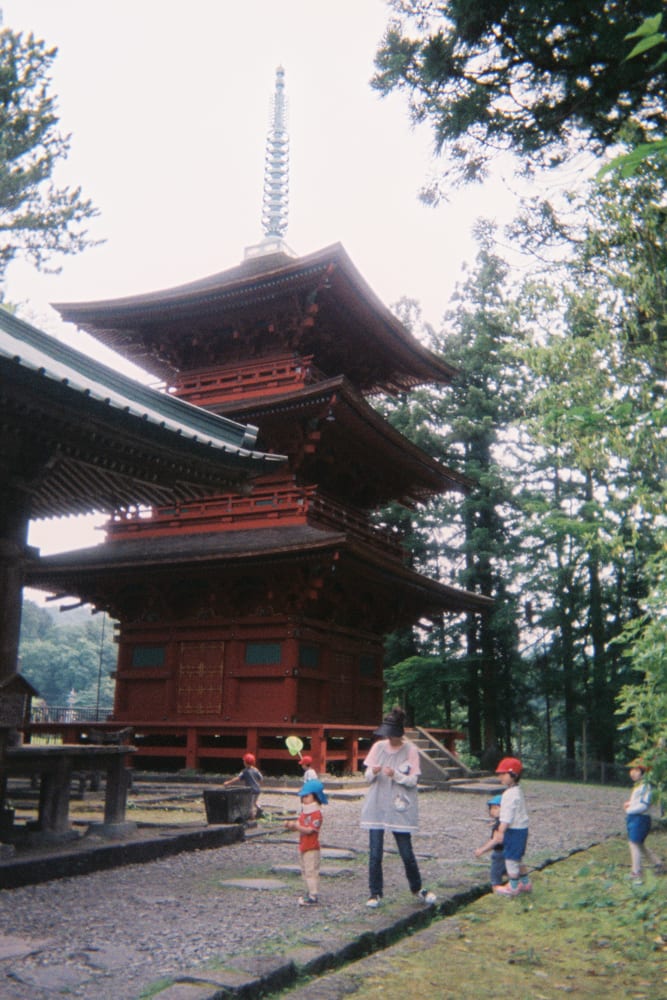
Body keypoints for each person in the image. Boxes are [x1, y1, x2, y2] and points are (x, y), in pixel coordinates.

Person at [360, 706, 436, 909]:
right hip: (377, 803)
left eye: (392, 735)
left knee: (406, 852)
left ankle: (417, 887)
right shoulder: (378, 748)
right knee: (375, 853)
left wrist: (396, 775)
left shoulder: (410, 750)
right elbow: (367, 777)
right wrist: (374, 772)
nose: (390, 738)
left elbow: (413, 781)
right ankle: (375, 892)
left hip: (400, 804)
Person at [284, 778, 328, 906]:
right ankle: (310, 891)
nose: (304, 799)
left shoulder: (317, 814)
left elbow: (309, 830)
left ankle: (313, 895)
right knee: (305, 871)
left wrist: (296, 826)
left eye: (307, 796)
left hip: (312, 847)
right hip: (303, 846)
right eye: (303, 796)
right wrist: (290, 825)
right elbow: (299, 825)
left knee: (311, 871)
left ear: (315, 796)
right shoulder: (304, 813)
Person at [493, 756, 532, 897]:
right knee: (518, 858)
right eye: (499, 774)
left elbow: (506, 817)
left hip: (513, 830)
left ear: (513, 775)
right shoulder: (517, 790)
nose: (500, 777)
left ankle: (513, 887)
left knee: (510, 859)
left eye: (503, 774)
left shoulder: (508, 794)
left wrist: (500, 831)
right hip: (522, 829)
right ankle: (525, 883)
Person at [624, 758, 663, 883]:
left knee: (634, 844)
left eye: (636, 770)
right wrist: (630, 804)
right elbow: (637, 802)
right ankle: (658, 864)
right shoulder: (638, 786)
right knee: (639, 844)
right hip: (634, 817)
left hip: (640, 818)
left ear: (643, 773)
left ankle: (636, 872)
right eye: (632, 770)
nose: (633, 773)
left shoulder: (646, 786)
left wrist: (629, 809)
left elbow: (644, 805)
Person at [474, 793, 507, 891]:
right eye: (491, 808)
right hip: (509, 851)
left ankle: (498, 892)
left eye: (495, 808)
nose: (492, 811)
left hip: (500, 853)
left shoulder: (500, 825)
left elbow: (496, 840)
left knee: (495, 877)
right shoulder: (505, 821)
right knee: (507, 870)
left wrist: (482, 850)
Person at [222, 752, 263, 820]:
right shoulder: (256, 770)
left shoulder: (245, 771)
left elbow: (238, 778)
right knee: (255, 802)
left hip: (251, 790)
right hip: (257, 789)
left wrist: (228, 782)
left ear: (245, 763)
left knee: (250, 805)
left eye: (244, 761)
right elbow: (261, 778)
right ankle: (260, 809)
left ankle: (252, 818)